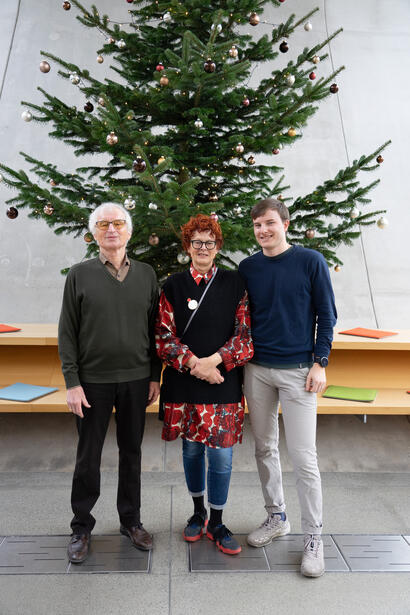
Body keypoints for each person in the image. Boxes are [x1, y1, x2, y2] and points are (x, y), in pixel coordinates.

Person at [239, 198, 337, 577]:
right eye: (257, 225)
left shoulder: (310, 261)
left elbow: (327, 314)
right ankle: (276, 516)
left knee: (303, 457)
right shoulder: (248, 268)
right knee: (264, 447)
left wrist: (320, 361)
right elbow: (241, 319)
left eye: (269, 223)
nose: (263, 230)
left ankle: (314, 537)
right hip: (257, 371)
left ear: (285, 224)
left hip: (299, 372)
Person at [58, 203, 161, 564]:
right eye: (103, 224)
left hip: (136, 379)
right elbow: (67, 332)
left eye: (118, 223)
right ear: (94, 233)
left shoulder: (147, 274)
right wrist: (72, 382)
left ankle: (131, 521)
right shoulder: (79, 275)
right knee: (88, 456)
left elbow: (156, 329)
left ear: (129, 231)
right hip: (92, 383)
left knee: (132, 453)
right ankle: (81, 527)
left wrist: (154, 375)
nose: (112, 229)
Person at [156, 214, 253, 555]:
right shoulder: (172, 286)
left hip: (223, 382)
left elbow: (244, 337)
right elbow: (163, 337)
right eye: (196, 242)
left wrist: (214, 363)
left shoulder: (235, 284)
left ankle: (218, 521)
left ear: (217, 246)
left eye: (209, 242)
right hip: (185, 384)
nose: (203, 248)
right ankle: (198, 513)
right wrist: (197, 366)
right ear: (188, 246)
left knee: (222, 456)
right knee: (192, 450)